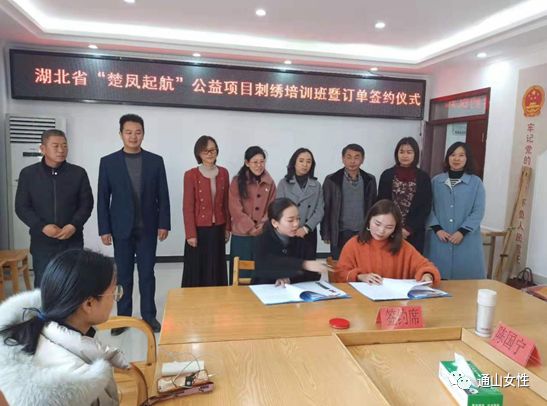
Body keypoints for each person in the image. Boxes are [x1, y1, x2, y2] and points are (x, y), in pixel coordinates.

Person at [0, 249, 129, 405]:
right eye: (113, 292)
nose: (116, 298)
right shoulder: (80, 381)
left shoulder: (31, 330)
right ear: (88, 304)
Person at [97, 114, 171, 334]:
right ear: (120, 134)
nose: (133, 136)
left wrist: (164, 223)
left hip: (148, 228)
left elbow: (163, 195)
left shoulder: (155, 161)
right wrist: (104, 229)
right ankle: (123, 318)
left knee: (147, 274)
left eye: (138, 132)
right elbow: (103, 198)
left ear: (143, 134)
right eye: (128, 132)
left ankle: (149, 316)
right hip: (121, 228)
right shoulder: (108, 162)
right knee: (123, 276)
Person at [15, 129, 93, 288]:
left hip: (72, 240)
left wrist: (73, 225)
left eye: (64, 146)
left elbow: (86, 204)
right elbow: (22, 207)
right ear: (42, 149)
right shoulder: (29, 174)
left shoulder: (78, 173)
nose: (61, 150)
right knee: (44, 286)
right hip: (42, 242)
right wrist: (41, 227)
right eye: (55, 146)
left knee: (72, 285)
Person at [334, 199, 440, 284]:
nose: (381, 231)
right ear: (369, 220)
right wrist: (360, 276)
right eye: (377, 224)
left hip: (395, 302)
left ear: (396, 228)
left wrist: (427, 275)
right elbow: (340, 274)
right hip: (360, 301)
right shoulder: (353, 244)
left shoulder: (403, 246)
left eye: (389, 227)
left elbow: (426, 266)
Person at [425, 142, 486, 279]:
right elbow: (428, 207)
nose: (456, 159)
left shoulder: (476, 183)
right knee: (436, 278)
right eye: (453, 155)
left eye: (461, 155)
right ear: (447, 158)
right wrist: (437, 229)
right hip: (439, 238)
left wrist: (462, 231)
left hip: (466, 239)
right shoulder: (436, 181)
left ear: (467, 158)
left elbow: (478, 211)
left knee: (466, 282)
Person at [182, 136, 231, 287]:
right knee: (198, 269)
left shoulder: (223, 173)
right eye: (205, 151)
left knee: (216, 268)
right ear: (198, 153)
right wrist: (190, 234)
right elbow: (188, 207)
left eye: (212, 150)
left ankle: (217, 300)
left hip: (218, 228)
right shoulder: (191, 174)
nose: (210, 154)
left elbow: (226, 203)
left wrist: (228, 228)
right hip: (199, 230)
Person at [252, 198, 330, 285]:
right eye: (290, 220)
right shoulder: (262, 240)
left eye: (298, 219)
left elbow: (313, 275)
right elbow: (266, 265)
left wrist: (289, 278)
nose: (296, 224)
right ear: (275, 223)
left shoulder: (302, 243)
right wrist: (303, 264)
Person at [228, 146, 276, 283]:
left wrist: (262, 225)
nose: (259, 165)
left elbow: (272, 207)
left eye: (262, 162)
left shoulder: (270, 183)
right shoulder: (237, 181)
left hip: (262, 234)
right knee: (240, 274)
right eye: (255, 162)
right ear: (247, 163)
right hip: (241, 235)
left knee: (260, 274)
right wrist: (249, 227)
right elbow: (235, 208)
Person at [321, 143, 377, 259]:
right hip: (339, 232)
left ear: (362, 160)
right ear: (343, 159)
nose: (352, 161)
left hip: (362, 231)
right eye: (349, 157)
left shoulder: (370, 180)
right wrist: (325, 233)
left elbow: (373, 207)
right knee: (339, 264)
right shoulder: (331, 180)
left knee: (361, 263)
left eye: (357, 157)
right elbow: (326, 207)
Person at [377, 137, 432, 253]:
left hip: (414, 232)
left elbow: (425, 207)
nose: (405, 155)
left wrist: (408, 229)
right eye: (401, 152)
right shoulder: (387, 175)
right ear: (396, 154)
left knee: (411, 262)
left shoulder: (423, 177)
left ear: (415, 154)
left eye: (409, 152)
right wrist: (392, 228)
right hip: (389, 230)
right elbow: (381, 203)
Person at [276, 148, 324, 260]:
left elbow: (320, 210)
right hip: (288, 232)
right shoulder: (284, 183)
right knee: (289, 266)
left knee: (309, 266)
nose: (305, 165)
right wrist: (291, 227)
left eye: (308, 161)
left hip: (308, 232)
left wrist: (305, 229)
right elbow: (279, 209)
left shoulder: (316, 185)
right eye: (301, 161)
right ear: (294, 163)